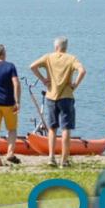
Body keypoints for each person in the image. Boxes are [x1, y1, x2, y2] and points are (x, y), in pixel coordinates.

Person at [30, 36, 86, 168]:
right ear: (66, 47)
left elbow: (32, 66)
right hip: (66, 97)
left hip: (51, 96)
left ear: (56, 47)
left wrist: (43, 79)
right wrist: (75, 85)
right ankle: (64, 160)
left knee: (52, 129)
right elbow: (82, 71)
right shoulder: (71, 58)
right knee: (66, 128)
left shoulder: (48, 57)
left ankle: (51, 157)